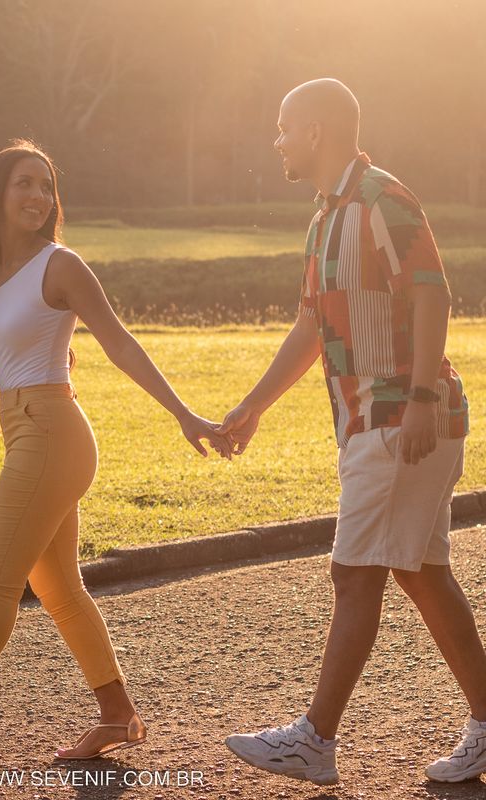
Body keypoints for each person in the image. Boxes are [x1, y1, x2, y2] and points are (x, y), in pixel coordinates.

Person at [0, 139, 230, 760]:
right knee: (59, 588)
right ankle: (118, 716)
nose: (39, 197)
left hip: (54, 431)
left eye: (47, 186)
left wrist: (183, 414)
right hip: (26, 432)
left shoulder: (59, 266)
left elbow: (119, 343)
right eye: (24, 185)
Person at [219, 79, 484, 785]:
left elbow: (433, 292)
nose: (275, 141)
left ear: (314, 131)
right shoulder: (324, 217)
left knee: (353, 574)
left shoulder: (381, 198)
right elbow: (313, 323)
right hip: (376, 417)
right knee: (421, 572)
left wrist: (423, 396)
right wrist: (254, 406)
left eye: (282, 128)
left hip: (402, 416)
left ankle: (314, 739)